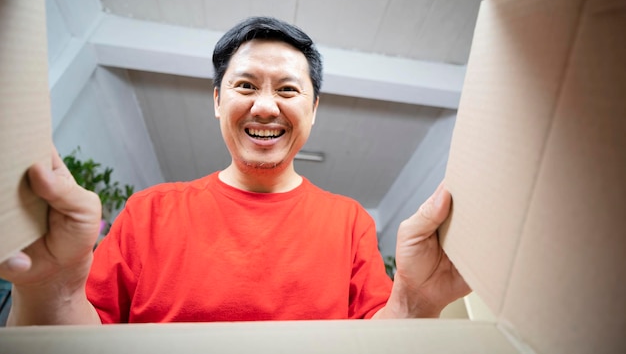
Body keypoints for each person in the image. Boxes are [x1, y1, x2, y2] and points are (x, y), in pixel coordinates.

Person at [0, 17, 469, 325]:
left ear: (314, 109)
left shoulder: (350, 223)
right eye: (245, 85)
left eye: (288, 90)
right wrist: (51, 286)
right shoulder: (149, 212)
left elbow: (382, 344)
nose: (265, 107)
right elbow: (79, 338)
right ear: (218, 100)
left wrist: (417, 302)